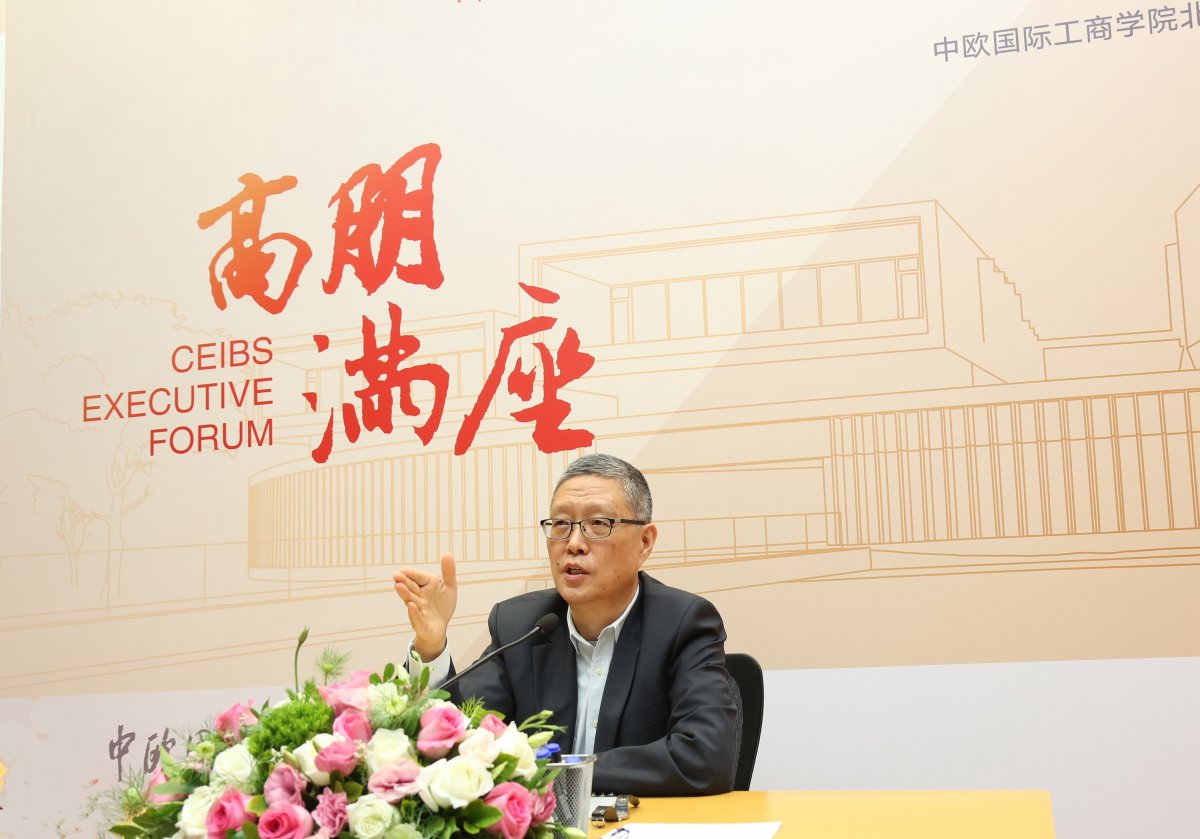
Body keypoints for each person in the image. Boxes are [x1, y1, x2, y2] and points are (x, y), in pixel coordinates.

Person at [393, 453, 736, 795]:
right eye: (561, 525)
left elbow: (705, 757)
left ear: (644, 542)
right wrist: (431, 646)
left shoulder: (682, 624)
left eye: (598, 524)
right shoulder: (520, 625)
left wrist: (563, 772)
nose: (573, 544)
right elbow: (461, 743)